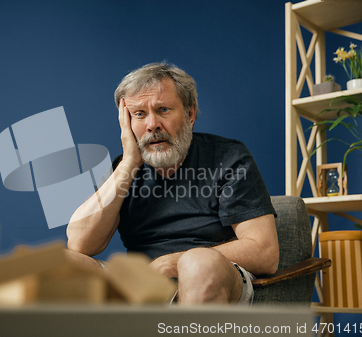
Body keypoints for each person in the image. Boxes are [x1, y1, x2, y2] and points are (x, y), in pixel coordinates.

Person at [66, 62, 279, 305]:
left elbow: (265, 251)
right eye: (139, 114)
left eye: (163, 110)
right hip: (141, 283)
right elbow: (79, 244)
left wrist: (175, 261)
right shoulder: (122, 170)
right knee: (60, 264)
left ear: (190, 114)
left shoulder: (228, 157)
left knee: (198, 264)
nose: (152, 124)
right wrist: (129, 164)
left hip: (211, 274)